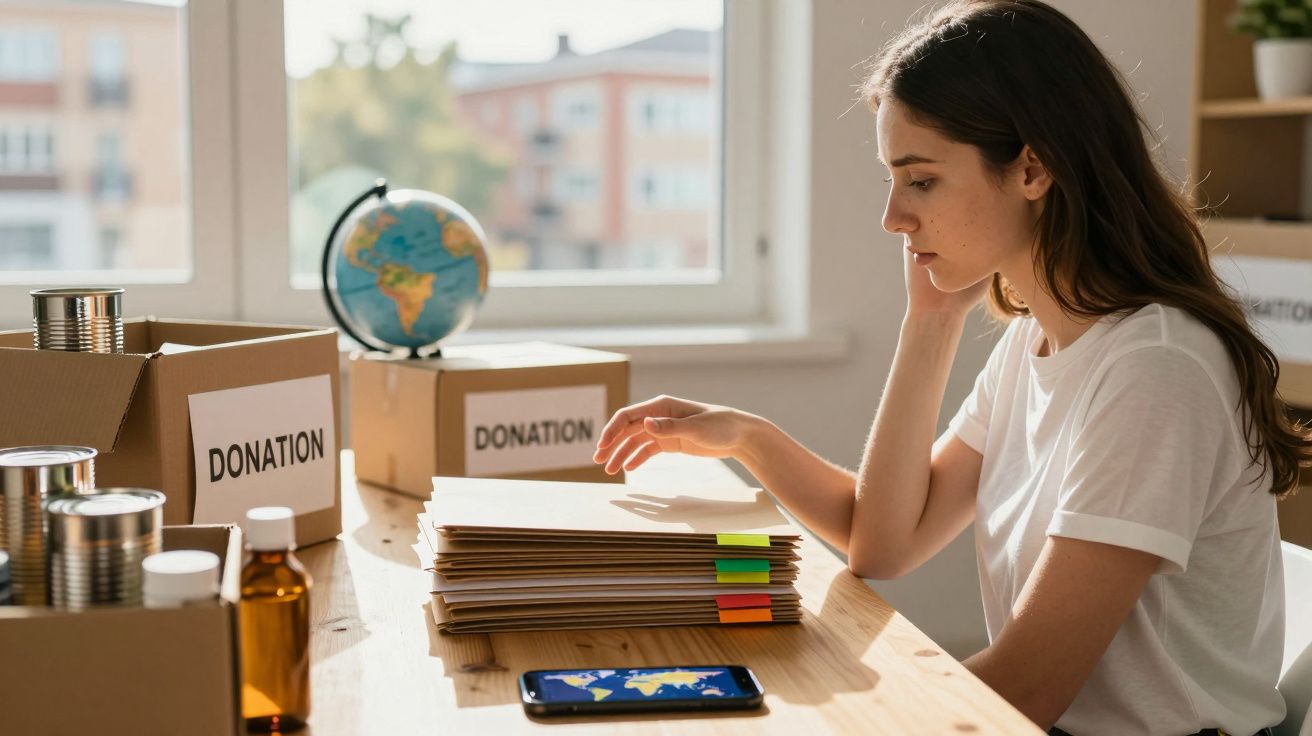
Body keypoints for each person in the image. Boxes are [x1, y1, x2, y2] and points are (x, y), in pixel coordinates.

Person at [592, 2, 1312, 734]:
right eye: (892, 182)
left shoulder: (1155, 369)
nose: (894, 218)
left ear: (1034, 167)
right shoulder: (1036, 344)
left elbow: (1028, 687)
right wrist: (758, 434)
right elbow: (886, 541)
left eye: (922, 181)